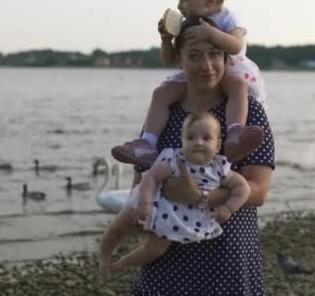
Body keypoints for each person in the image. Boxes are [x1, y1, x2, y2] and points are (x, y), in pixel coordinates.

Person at [126, 17, 275, 295]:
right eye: (194, 56)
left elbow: (260, 190)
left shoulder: (247, 113)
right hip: (167, 253)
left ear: (226, 57)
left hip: (226, 254)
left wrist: (199, 196)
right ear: (179, 60)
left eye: (215, 54)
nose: (207, 65)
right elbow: (140, 179)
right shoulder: (163, 112)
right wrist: (139, 214)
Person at [112, 0, 268, 168]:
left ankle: (235, 132)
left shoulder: (227, 18)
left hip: (231, 69)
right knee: (161, 93)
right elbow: (170, 60)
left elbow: (237, 46)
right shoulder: (189, 23)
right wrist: (166, 39)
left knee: (237, 86)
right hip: (198, 78)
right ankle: (147, 144)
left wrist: (211, 34)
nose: (179, 6)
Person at [99, 112, 251, 276]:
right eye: (190, 138)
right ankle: (104, 256)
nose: (198, 143)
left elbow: (243, 188)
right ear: (182, 141)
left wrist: (229, 208)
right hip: (155, 201)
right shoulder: (176, 160)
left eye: (206, 138)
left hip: (182, 215)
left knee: (156, 249)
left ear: (218, 145)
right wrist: (145, 203)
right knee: (121, 224)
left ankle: (124, 262)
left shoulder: (220, 168)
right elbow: (151, 178)